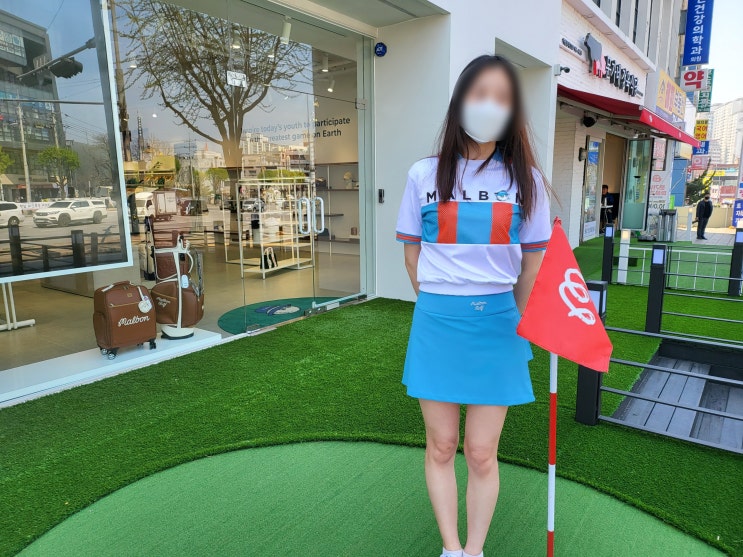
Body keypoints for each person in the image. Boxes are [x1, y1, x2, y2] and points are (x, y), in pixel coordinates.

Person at [396, 55, 551, 557]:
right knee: (441, 445)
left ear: (513, 112)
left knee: (482, 452)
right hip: (436, 322)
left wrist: (513, 320)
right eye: (480, 93)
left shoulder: (527, 180)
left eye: (502, 98)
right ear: (460, 100)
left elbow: (531, 267)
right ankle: (451, 548)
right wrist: (440, 304)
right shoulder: (423, 174)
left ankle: (475, 549)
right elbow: (412, 255)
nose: (489, 105)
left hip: (499, 326)